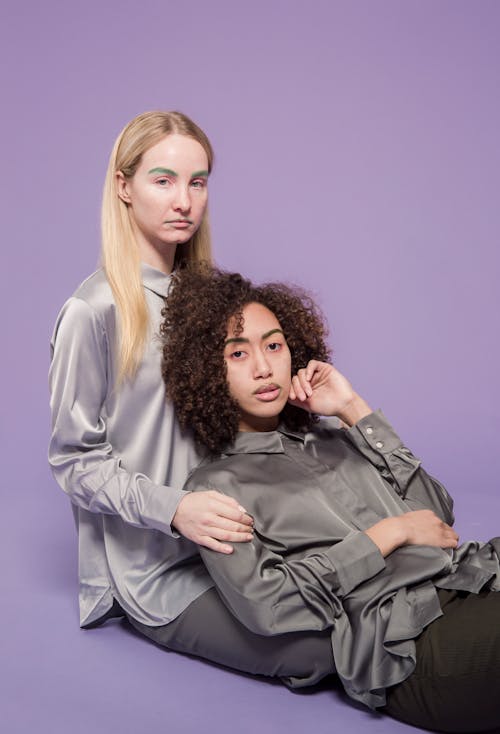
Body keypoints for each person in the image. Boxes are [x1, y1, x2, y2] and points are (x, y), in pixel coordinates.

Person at [49, 111, 336, 683]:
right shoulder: (94, 311)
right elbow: (74, 461)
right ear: (124, 187)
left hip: (244, 536)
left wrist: (298, 401)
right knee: (321, 651)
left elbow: (227, 416)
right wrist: (174, 509)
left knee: (367, 600)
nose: (184, 200)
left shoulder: (208, 295)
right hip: (162, 569)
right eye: (164, 180)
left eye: (197, 182)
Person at [160, 264, 500, 734]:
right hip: (412, 643)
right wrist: (389, 533)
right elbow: (268, 606)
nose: (264, 367)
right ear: (206, 372)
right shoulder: (216, 488)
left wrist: (352, 408)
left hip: (471, 581)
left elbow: (439, 519)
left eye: (274, 346)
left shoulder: (332, 436)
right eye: (238, 354)